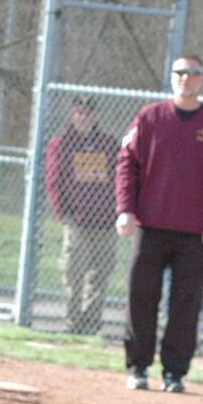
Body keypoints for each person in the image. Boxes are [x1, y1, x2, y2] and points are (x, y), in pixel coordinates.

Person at [115, 52, 203, 393]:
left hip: (195, 232)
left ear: (202, 79)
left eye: (193, 73)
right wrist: (126, 209)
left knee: (185, 302)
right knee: (141, 296)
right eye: (180, 72)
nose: (185, 78)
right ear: (172, 76)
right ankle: (138, 367)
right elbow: (126, 164)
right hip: (150, 225)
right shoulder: (149, 118)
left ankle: (174, 372)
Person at [44, 94, 119, 335]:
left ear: (95, 116)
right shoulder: (62, 143)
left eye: (88, 114)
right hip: (76, 220)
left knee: (100, 273)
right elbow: (53, 180)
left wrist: (117, 211)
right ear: (72, 114)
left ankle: (91, 325)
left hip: (106, 221)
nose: (84, 118)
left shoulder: (109, 144)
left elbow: (120, 177)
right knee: (73, 271)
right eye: (79, 113)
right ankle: (72, 322)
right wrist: (62, 212)